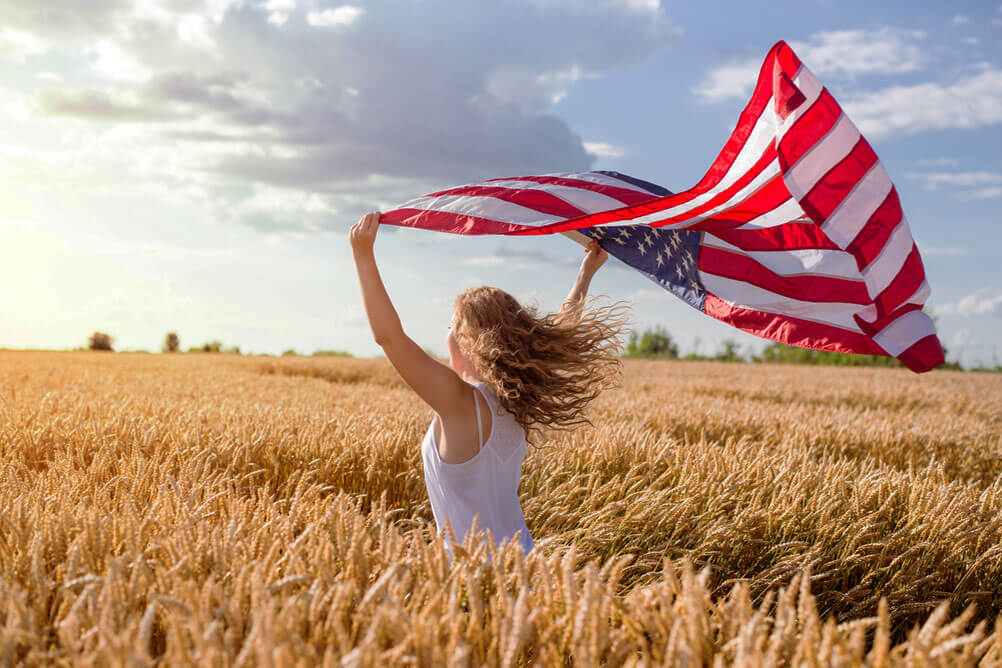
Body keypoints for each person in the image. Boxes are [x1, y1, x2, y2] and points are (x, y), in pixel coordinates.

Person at [349, 211, 630, 562]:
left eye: (451, 324)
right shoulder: (517, 400)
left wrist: (363, 254)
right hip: (525, 570)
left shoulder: (459, 403)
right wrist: (585, 273)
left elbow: (389, 337)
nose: (446, 332)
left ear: (469, 341)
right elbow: (562, 326)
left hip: (478, 585)